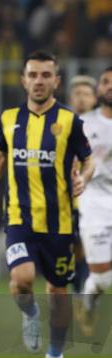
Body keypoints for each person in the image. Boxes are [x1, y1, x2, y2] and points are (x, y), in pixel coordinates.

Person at [0, 51, 94, 358]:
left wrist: (84, 177)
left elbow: (88, 160)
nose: (39, 81)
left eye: (46, 75)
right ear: (23, 79)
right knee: (21, 280)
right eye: (33, 74)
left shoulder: (69, 121)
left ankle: (55, 356)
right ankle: (31, 314)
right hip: (19, 218)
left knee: (58, 291)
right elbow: (0, 159)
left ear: (56, 81)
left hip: (60, 222)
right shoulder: (8, 119)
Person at [77, 67, 112, 327]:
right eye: (106, 82)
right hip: (95, 202)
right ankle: (89, 296)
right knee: (103, 279)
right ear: (99, 89)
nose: (110, 86)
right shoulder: (85, 124)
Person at [68, 75, 98, 295]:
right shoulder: (59, 127)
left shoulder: (104, 128)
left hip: (97, 201)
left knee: (89, 249)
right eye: (77, 94)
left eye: (86, 94)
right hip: (67, 201)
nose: (81, 99)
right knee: (73, 252)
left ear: (94, 98)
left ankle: (84, 295)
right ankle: (79, 292)